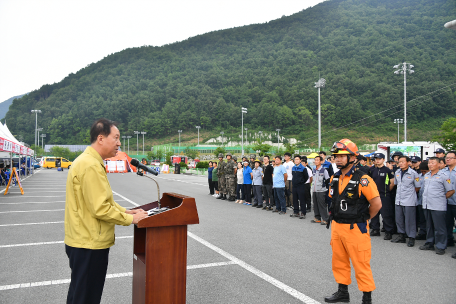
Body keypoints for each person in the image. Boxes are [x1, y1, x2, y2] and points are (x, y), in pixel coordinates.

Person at [64, 119, 148, 304]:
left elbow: (102, 201)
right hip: (88, 243)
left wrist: (126, 211)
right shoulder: (91, 165)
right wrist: (130, 219)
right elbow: (100, 208)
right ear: (100, 138)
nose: (119, 143)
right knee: (86, 297)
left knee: (80, 294)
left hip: (83, 239)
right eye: (116, 138)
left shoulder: (90, 161)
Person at [325, 139, 381, 304]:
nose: (338, 159)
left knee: (361, 263)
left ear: (353, 157)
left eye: (343, 156)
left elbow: (377, 204)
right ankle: (343, 292)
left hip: (356, 227)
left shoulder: (363, 179)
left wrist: (363, 218)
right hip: (337, 226)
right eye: (336, 156)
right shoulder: (335, 178)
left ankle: (367, 298)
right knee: (339, 261)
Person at [419, 157, 455, 255]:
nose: (430, 165)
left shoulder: (444, 176)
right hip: (427, 205)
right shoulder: (426, 175)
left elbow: (451, 190)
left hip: (438, 206)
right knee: (429, 226)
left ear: (439, 164)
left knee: (439, 227)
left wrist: (442, 198)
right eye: (429, 163)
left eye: (433, 163)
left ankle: (441, 246)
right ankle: (429, 243)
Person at [391, 156, 420, 247]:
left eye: (403, 161)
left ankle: (411, 237)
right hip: (399, 199)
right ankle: (401, 236)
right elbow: (396, 184)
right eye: (399, 162)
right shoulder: (397, 172)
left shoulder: (413, 173)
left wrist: (410, 194)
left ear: (408, 162)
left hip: (409, 200)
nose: (401, 163)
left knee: (410, 220)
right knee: (399, 218)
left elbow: (417, 187)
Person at [368, 153, 395, 240]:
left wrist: (386, 191)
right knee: (374, 213)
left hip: (384, 195)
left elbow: (392, 182)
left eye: (379, 158)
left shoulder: (388, 170)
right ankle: (375, 229)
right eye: (376, 159)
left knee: (386, 214)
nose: (377, 160)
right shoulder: (372, 170)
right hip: (374, 195)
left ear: (383, 159)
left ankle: (388, 231)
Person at [311, 156, 330, 225]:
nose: (316, 161)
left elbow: (328, 180)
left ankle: (325, 219)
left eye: (317, 160)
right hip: (314, 190)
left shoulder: (324, 170)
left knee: (322, 205)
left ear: (321, 162)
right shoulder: (314, 170)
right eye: (315, 160)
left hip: (321, 190)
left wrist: (324, 187)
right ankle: (317, 218)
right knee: (315, 204)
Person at [443, 151, 456, 252]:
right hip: (446, 201)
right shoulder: (443, 171)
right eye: (447, 158)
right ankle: (449, 239)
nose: (448, 159)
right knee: (447, 222)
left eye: (451, 158)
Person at [290, 155, 308, 219]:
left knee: (302, 200)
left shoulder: (303, 168)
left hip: (301, 186)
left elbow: (306, 177)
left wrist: (301, 181)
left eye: (298, 159)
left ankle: (303, 213)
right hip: (294, 186)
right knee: (295, 199)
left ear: (300, 160)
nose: (296, 161)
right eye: (295, 159)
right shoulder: (293, 167)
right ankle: (296, 212)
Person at [415, 161, 429, 240]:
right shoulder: (419, 176)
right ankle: (422, 233)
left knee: (429, 219)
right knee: (422, 218)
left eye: (425, 171)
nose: (423, 173)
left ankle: (429, 234)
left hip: (429, 201)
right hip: (420, 201)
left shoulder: (430, 176)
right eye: (422, 171)